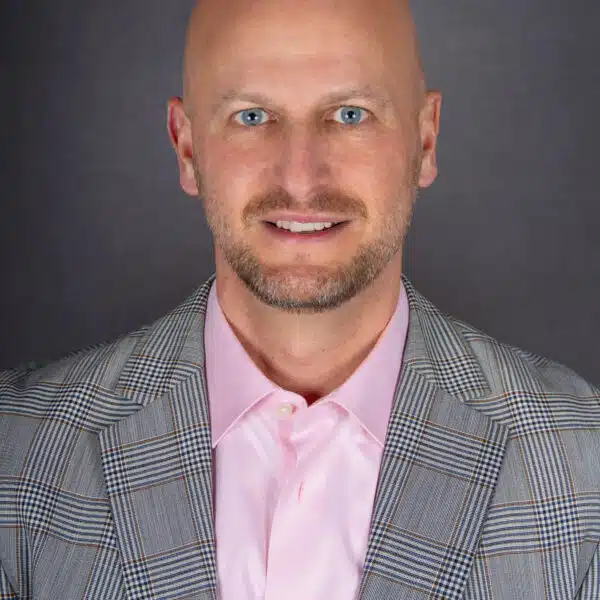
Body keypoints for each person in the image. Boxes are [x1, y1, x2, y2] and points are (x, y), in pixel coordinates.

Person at [0, 0, 598, 597]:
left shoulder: (582, 462)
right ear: (187, 149)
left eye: (350, 114)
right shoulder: (17, 450)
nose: (301, 179)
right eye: (253, 116)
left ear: (425, 138)